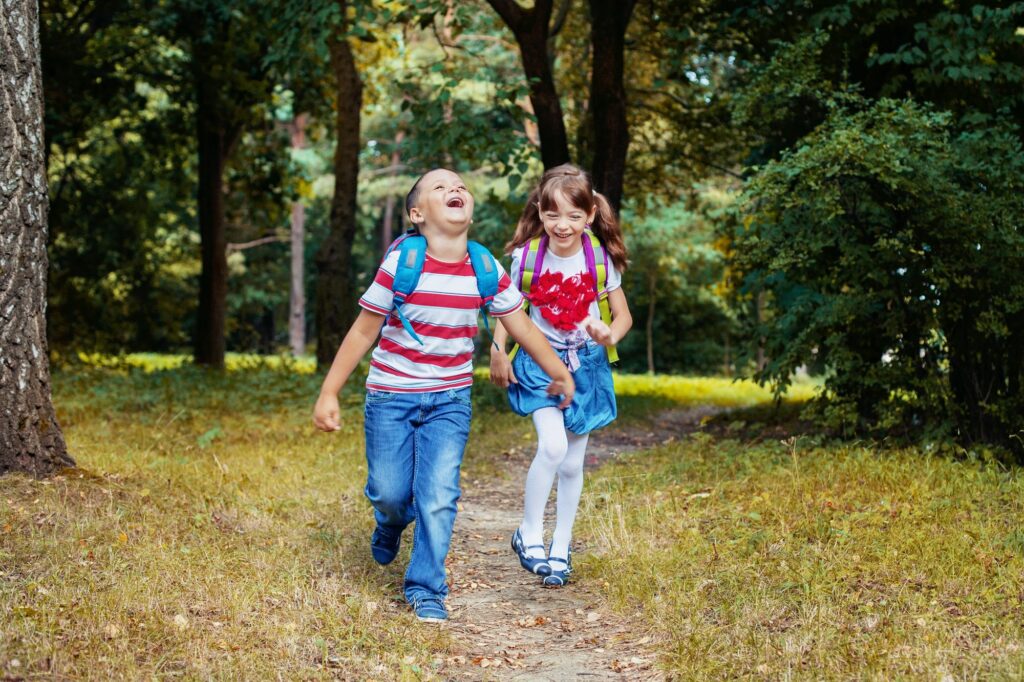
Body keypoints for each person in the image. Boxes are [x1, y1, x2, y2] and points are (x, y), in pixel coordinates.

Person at [313, 168, 575, 623]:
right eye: (440, 187)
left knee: (438, 494)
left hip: (450, 401)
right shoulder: (402, 264)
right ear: (417, 214)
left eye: (460, 186)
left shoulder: (484, 267)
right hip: (391, 395)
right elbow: (362, 331)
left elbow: (522, 325)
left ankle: (426, 587)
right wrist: (329, 392)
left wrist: (558, 371)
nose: (455, 189)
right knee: (390, 492)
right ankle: (392, 521)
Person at [490, 164, 632, 587]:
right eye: (553, 215)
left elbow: (623, 317)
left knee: (572, 463)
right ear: (540, 211)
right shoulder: (527, 258)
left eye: (573, 216)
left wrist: (609, 334)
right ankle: (529, 533)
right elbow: (507, 308)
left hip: (585, 366)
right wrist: (499, 350)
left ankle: (560, 545)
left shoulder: (599, 261)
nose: (562, 225)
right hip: (538, 364)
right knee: (552, 447)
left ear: (589, 215)